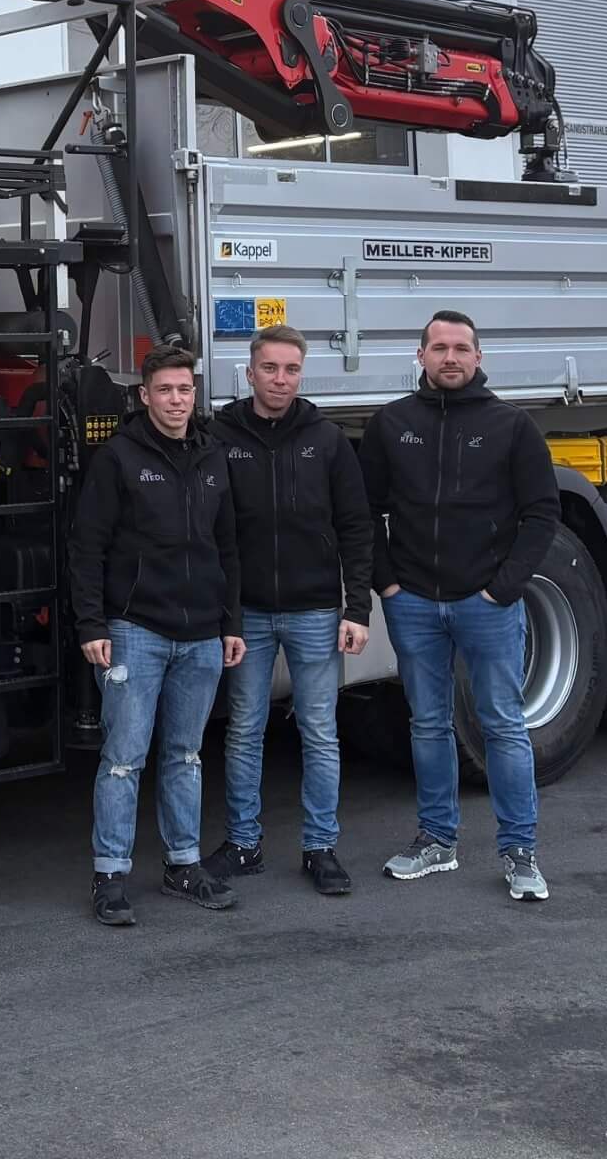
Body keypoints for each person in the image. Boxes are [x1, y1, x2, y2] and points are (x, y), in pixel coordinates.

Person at [361, 310, 559, 902]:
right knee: (427, 724)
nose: (450, 358)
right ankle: (437, 842)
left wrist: (503, 589)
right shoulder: (391, 425)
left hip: (487, 605)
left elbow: (542, 513)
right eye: (439, 348)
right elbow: (361, 512)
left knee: (502, 725)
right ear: (420, 356)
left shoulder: (511, 426)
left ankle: (520, 852)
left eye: (461, 349)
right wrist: (388, 583)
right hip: (414, 603)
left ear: (479, 358)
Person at [71, 341, 245, 927]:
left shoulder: (213, 456)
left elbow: (228, 548)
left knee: (187, 754)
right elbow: (87, 546)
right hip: (134, 630)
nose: (177, 400)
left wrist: (230, 624)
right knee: (123, 756)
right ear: (144, 396)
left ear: (196, 395)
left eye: (186, 389)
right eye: (166, 390)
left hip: (200, 633)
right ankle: (110, 875)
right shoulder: (119, 458)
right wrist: (93, 624)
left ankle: (183, 865)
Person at [201, 325, 374, 896]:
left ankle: (320, 847)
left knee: (320, 731)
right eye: (270, 369)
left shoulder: (327, 441)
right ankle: (244, 844)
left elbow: (355, 527)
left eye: (291, 370)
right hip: (247, 612)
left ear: (302, 375)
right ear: (249, 373)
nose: (280, 379)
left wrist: (358, 609)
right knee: (245, 729)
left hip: (316, 611)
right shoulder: (220, 437)